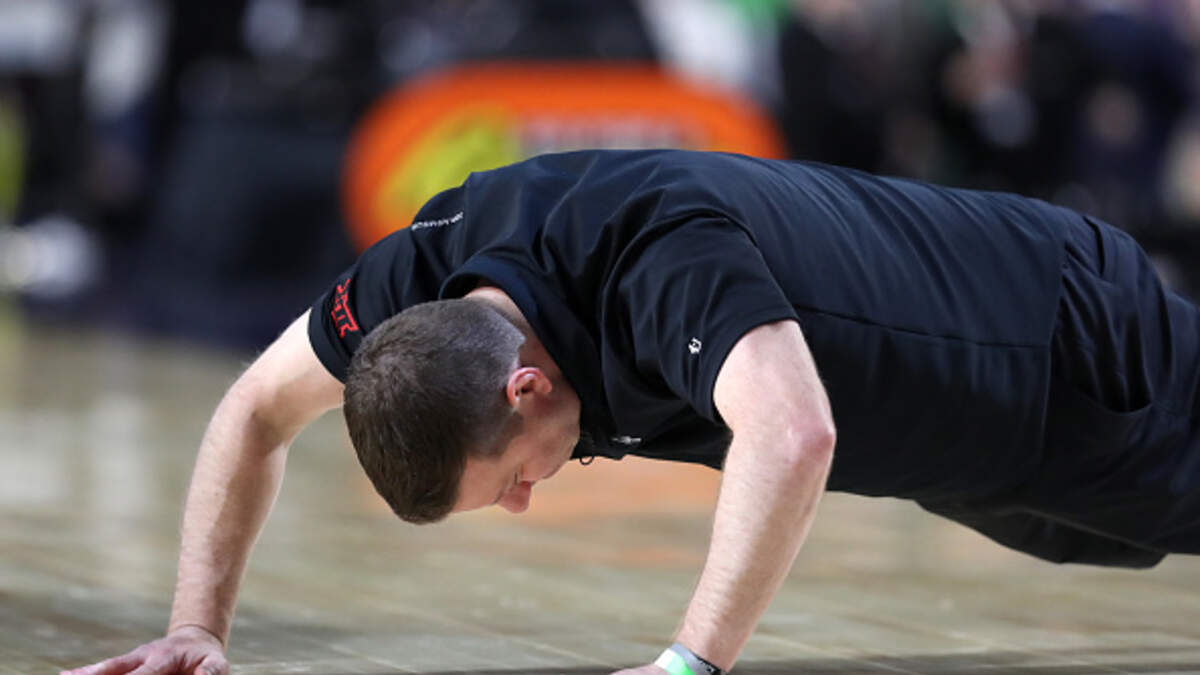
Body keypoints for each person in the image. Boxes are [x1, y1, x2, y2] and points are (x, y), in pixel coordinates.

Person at [65, 149, 1200, 675]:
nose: (523, 502)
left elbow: (793, 432)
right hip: (951, 439)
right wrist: (196, 628)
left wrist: (687, 666)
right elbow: (254, 412)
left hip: (1054, 345)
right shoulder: (417, 286)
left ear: (525, 385)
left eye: (510, 477)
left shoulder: (652, 258)